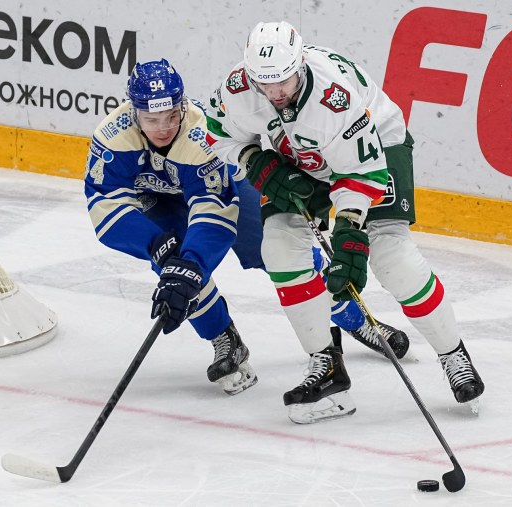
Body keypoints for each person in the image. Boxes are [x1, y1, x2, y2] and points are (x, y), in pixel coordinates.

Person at [206, 21, 485, 424]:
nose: (276, 92)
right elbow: (216, 133)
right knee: (279, 247)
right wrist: (256, 162)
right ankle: (326, 366)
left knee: (391, 257)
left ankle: (453, 354)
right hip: (301, 155)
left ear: (300, 65)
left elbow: (360, 173)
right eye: (265, 83)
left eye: (284, 80)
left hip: (376, 150)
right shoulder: (238, 88)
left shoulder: (334, 98)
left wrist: (350, 229)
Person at [84, 58, 409, 397]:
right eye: (151, 119)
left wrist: (194, 261)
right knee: (175, 271)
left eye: (171, 116)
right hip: (157, 202)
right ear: (133, 111)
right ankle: (225, 339)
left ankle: (358, 320)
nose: (163, 128)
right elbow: (105, 205)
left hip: (226, 188)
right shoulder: (113, 136)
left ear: (182, 106)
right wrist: (156, 245)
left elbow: (213, 211)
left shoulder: (198, 133)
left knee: (282, 255)